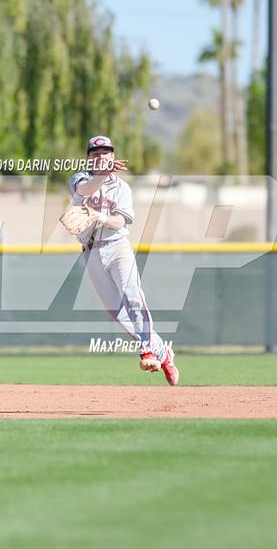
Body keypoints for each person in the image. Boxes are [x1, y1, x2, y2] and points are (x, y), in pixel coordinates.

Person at [68, 135, 179, 386]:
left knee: (133, 298)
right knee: (116, 312)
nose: (101, 156)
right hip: (91, 252)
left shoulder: (122, 188)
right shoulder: (79, 178)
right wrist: (101, 177)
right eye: (95, 154)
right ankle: (163, 352)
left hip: (118, 248)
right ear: (88, 158)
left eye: (105, 153)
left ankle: (147, 351)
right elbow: (83, 191)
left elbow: (120, 221)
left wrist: (98, 217)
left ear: (113, 157)